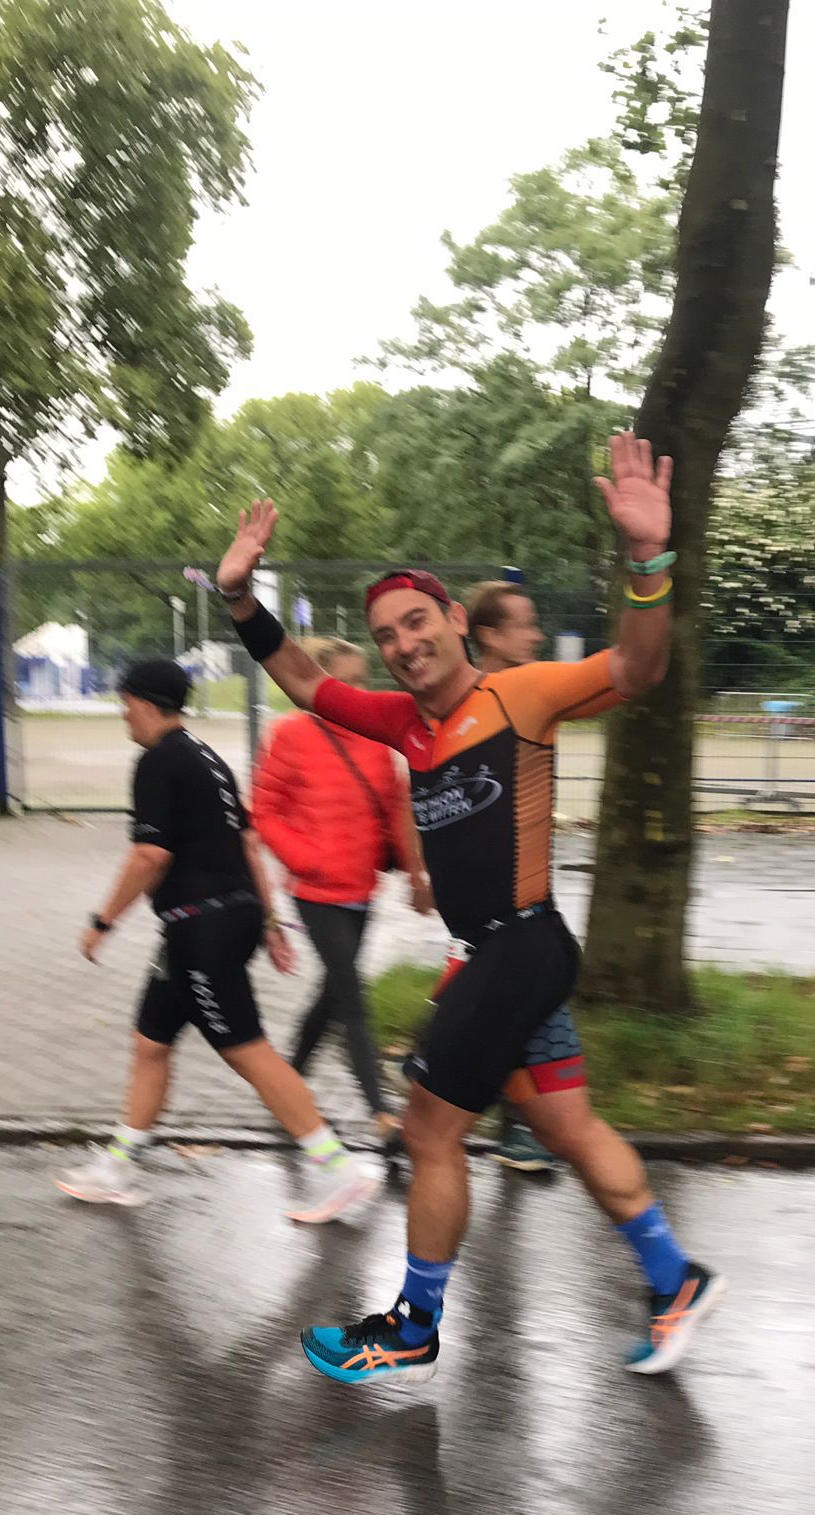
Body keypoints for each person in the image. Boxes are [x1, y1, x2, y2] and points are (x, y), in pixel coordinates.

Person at [213, 433, 723, 1383]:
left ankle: (413, 1323)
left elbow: (638, 669)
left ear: (454, 618)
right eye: (391, 636)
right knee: (570, 1129)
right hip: (496, 955)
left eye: (419, 622)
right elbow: (303, 679)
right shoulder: (406, 723)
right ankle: (672, 1277)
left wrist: (648, 562)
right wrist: (241, 599)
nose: (406, 644)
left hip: (521, 952)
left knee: (430, 1128)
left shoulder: (518, 694)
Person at [55, 656, 377, 1222]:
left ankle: (338, 1169)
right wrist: (270, 921)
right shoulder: (207, 758)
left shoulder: (158, 762)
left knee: (247, 1049)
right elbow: (247, 843)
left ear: (148, 703)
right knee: (150, 1042)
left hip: (202, 928)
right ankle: (118, 1166)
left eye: (125, 701)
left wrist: (102, 921)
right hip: (207, 923)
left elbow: (151, 854)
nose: (122, 713)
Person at [252, 634, 433, 1156]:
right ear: (319, 684)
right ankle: (381, 1113)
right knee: (351, 997)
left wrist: (416, 876)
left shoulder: (378, 741)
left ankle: (287, 1085)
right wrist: (306, 860)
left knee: (332, 995)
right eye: (346, 681)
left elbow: (397, 813)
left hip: (361, 888)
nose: (359, 690)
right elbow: (264, 811)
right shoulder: (290, 735)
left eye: (363, 679)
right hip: (315, 891)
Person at [463, 581, 557, 1178]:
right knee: (516, 1013)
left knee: (517, 1012)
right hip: (489, 903)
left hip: (528, 898)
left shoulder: (531, 693)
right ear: (490, 636)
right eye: (526, 624)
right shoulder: (462, 702)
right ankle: (516, 1127)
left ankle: (512, 1126)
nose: (538, 634)